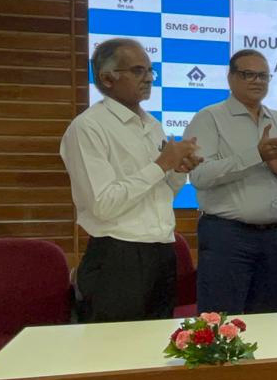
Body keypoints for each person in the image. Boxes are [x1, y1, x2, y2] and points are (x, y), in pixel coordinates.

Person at [61, 38, 202, 322]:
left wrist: (178, 169)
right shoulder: (88, 127)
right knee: (114, 352)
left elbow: (161, 195)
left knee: (156, 348)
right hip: (117, 257)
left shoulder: (151, 125)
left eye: (151, 70)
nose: (149, 78)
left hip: (162, 250)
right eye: (138, 71)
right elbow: (103, 204)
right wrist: (161, 164)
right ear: (106, 78)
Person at [184, 49, 277, 314]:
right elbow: (199, 176)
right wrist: (256, 155)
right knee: (220, 324)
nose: (257, 81)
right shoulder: (209, 118)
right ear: (230, 78)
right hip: (227, 235)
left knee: (268, 322)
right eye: (248, 74)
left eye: (263, 76)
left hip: (275, 236)